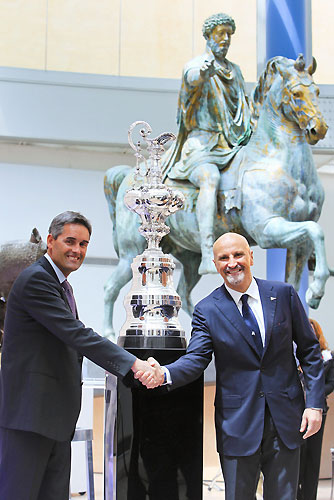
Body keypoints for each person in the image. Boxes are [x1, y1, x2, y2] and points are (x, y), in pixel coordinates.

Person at [137, 232, 325, 500]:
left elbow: (309, 351)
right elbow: (196, 359)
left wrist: (314, 404)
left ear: (250, 256)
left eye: (238, 255)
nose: (232, 262)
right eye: (224, 258)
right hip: (237, 425)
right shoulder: (207, 309)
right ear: (215, 264)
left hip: (286, 420)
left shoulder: (283, 295)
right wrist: (165, 372)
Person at [0, 211, 159, 500]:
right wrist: (133, 363)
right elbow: (77, 334)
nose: (77, 250)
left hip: (54, 419)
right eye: (70, 241)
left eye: (84, 244)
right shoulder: (37, 280)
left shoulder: (61, 284)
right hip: (29, 419)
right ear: (50, 241)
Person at [161, 13, 252, 275]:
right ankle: (206, 250)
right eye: (220, 34)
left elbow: (243, 106)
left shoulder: (234, 70)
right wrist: (203, 74)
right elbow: (192, 80)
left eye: (228, 35)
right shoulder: (197, 66)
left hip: (230, 145)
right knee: (209, 178)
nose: (225, 40)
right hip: (200, 145)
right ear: (208, 36)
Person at [297, 318, 334, 500]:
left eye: (311, 329)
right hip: (295, 412)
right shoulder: (293, 356)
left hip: (318, 410)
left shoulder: (327, 356)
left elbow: (331, 384)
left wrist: (313, 394)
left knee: (313, 457)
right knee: (296, 456)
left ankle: (309, 496)